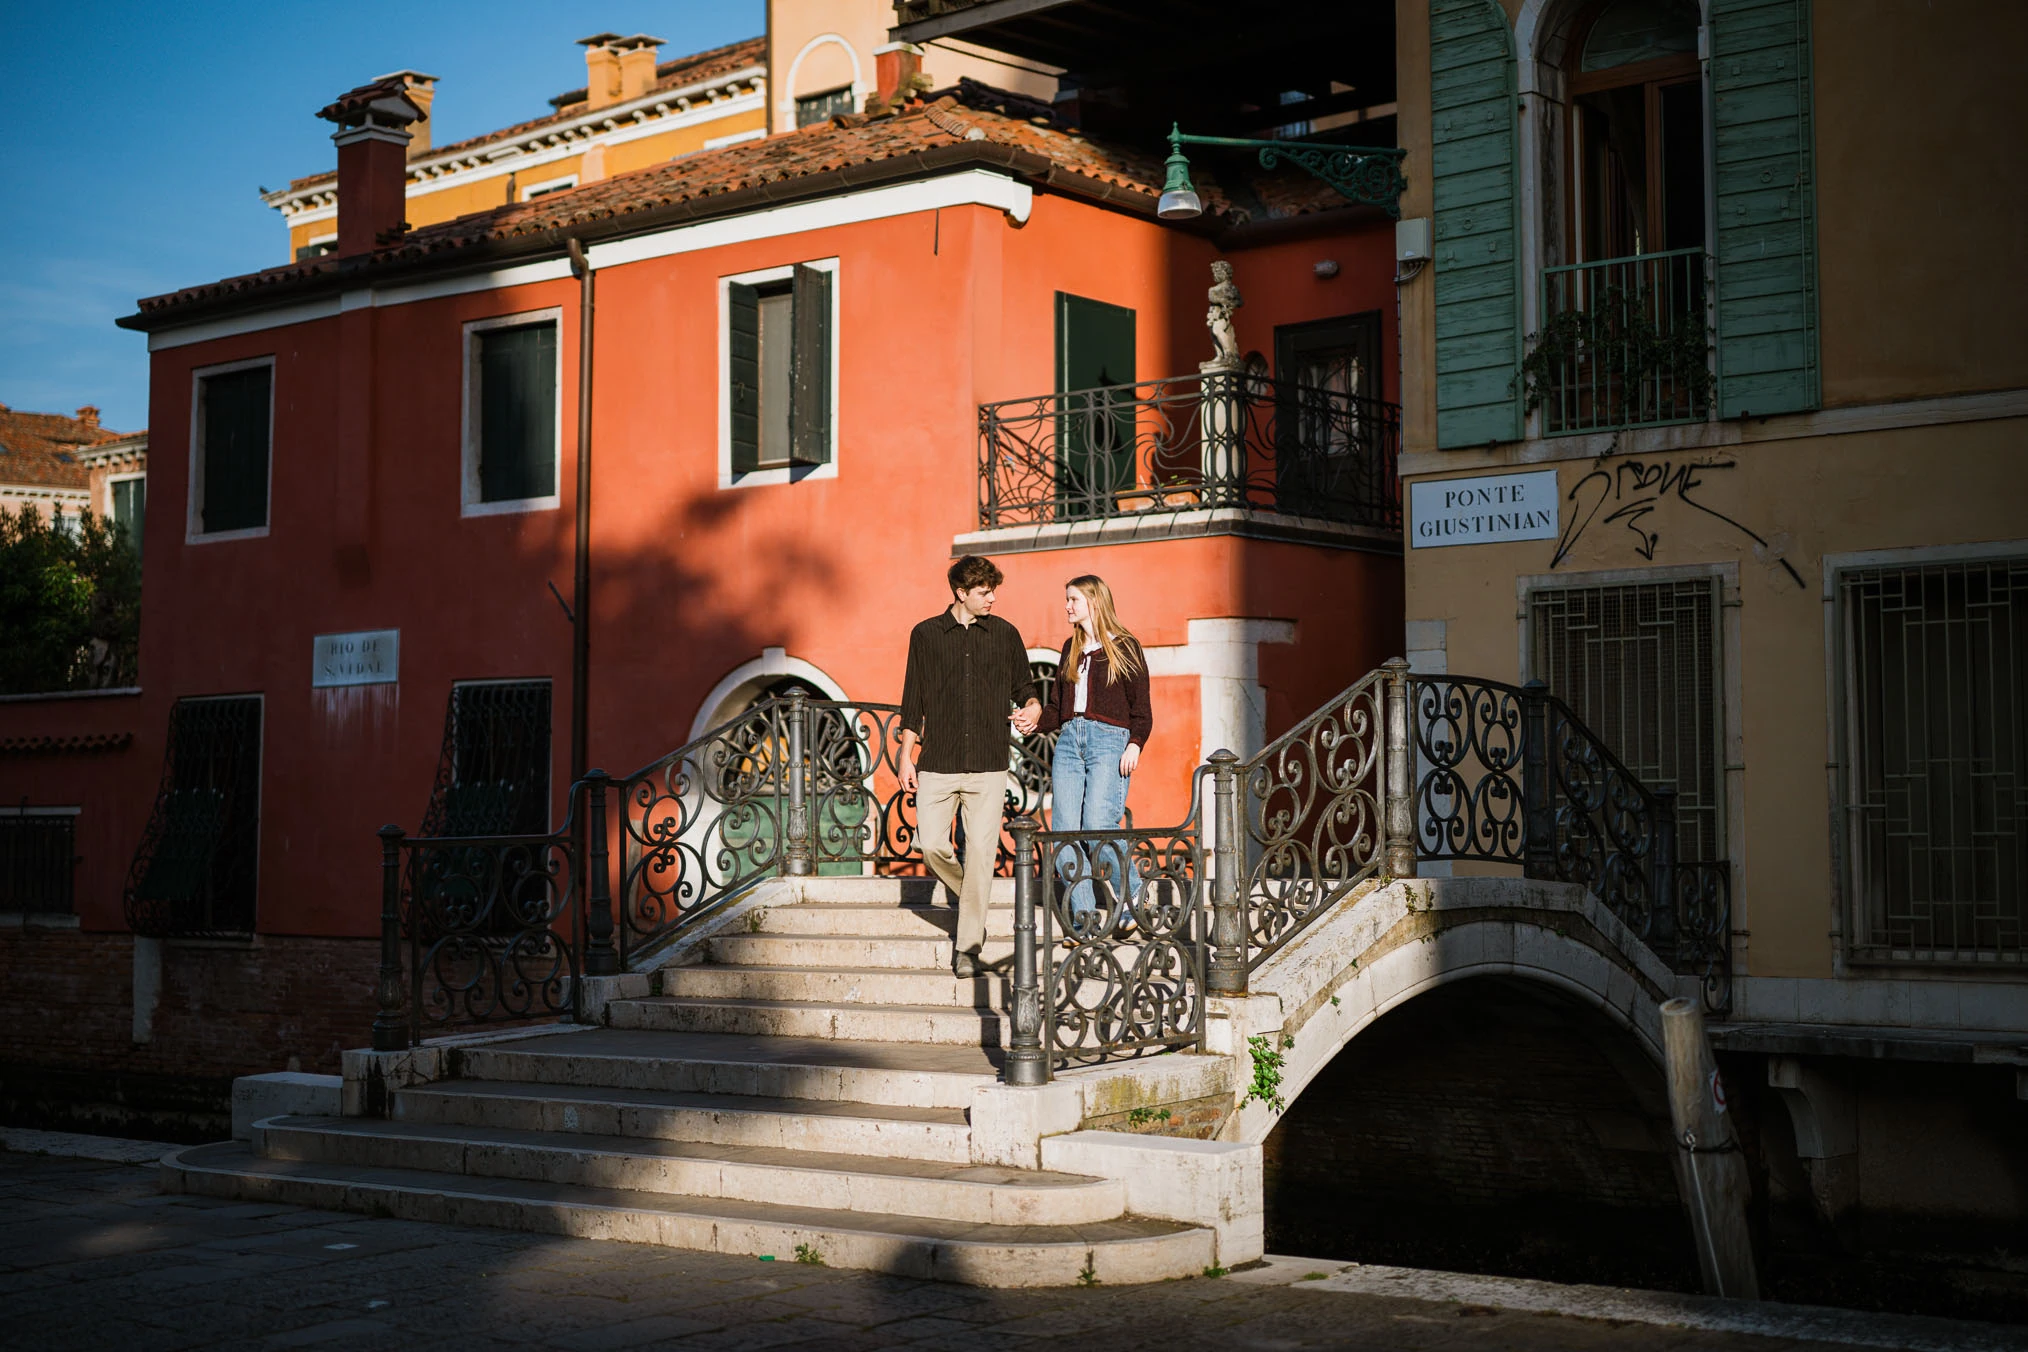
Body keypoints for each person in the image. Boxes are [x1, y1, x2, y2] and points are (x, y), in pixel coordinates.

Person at [898, 555, 1041, 978]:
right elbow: (913, 700)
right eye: (984, 592)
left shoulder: (1005, 634)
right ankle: (974, 902)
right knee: (930, 846)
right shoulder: (924, 635)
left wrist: (1032, 707)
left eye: (994, 591)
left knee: (980, 852)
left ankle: (968, 948)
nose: (992, 598)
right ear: (961, 593)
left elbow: (1026, 688)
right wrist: (906, 755)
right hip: (937, 762)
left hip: (988, 763)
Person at [1034, 575, 1152, 939]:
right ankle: (1084, 920)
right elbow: (1057, 709)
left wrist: (1135, 743)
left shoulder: (1125, 646)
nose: (1067, 606)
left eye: (1073, 599)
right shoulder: (1070, 648)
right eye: (1066, 599)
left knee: (1098, 822)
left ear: (1094, 603)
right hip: (1070, 741)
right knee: (1064, 833)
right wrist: (1034, 721)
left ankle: (1133, 891)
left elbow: (1141, 708)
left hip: (1110, 741)